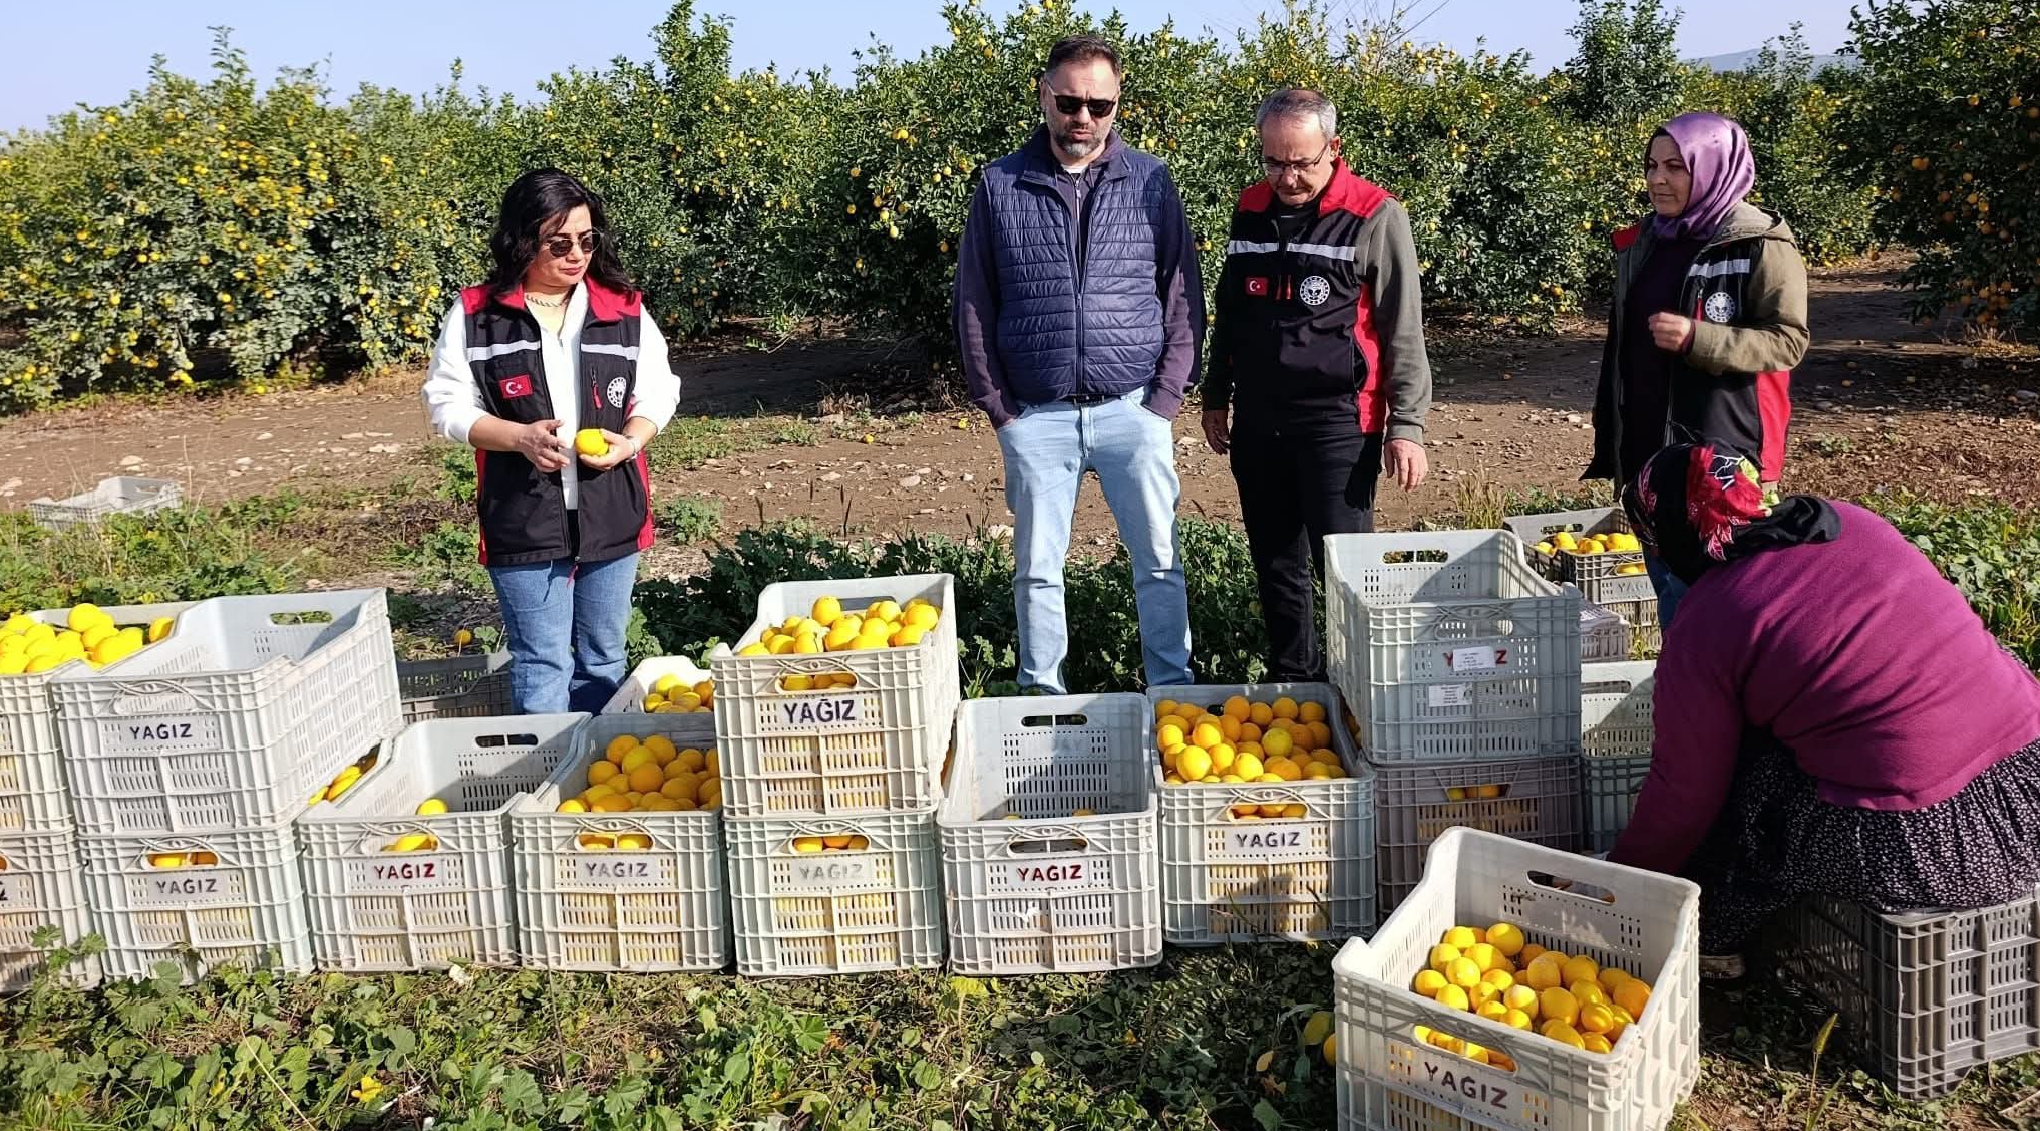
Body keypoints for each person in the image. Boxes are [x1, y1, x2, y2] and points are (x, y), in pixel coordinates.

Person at [1608, 441, 2040, 976]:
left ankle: (1717, 935)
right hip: (2028, 783)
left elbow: (1684, 795)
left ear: (1673, 530)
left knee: (1751, 789)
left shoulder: (1705, 623)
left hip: (1937, 850)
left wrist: (1616, 887)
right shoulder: (1847, 522)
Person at [952, 34, 1206, 694]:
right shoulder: (1001, 184)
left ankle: (1171, 694)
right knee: (1036, 568)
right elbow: (974, 303)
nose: (1083, 118)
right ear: (1044, 97)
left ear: (1118, 105)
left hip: (1133, 410)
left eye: (1100, 105)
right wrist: (1001, 409)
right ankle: (1043, 700)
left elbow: (1182, 292)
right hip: (1037, 417)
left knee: (1157, 562)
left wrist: (1164, 402)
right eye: (1069, 102)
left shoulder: (1150, 181)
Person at [422, 168, 681, 713]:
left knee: (604, 658)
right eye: (558, 242)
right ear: (522, 241)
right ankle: (548, 783)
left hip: (611, 510)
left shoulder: (623, 312)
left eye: (587, 240)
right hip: (523, 516)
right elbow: (445, 405)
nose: (576, 254)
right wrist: (517, 437)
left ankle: (598, 780)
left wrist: (630, 442)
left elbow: (660, 391)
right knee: (542, 660)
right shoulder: (478, 317)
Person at [1201, 88, 1432, 682]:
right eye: (1273, 161)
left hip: (1337, 418)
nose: (1287, 177)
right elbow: (1231, 311)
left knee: (1346, 566)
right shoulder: (1250, 208)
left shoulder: (1374, 214)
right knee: (1277, 562)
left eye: (1301, 162)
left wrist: (1406, 427)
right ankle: (1295, 687)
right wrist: (1216, 393)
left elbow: (1402, 327)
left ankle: (1363, 687)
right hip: (1260, 416)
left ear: (1333, 148)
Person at [1585, 112, 1809, 627]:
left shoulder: (1760, 244)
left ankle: (1716, 699)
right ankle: (1684, 695)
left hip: (1722, 457)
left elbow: (1788, 340)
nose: (1657, 179)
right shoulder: (1646, 242)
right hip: (1648, 450)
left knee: (1719, 603)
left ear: (1713, 167)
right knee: (1671, 592)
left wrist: (1697, 338)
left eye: (1675, 167)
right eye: (1651, 166)